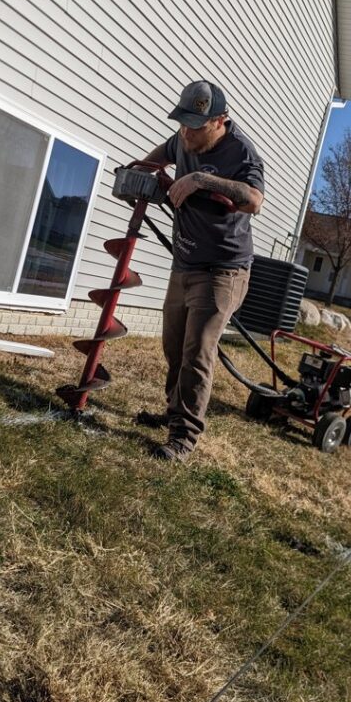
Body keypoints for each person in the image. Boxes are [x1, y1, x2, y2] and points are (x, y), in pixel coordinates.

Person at [137, 80, 265, 461]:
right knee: (174, 347)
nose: (187, 133)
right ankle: (172, 411)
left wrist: (199, 179)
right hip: (185, 263)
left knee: (197, 353)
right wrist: (141, 174)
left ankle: (183, 438)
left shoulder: (242, 152)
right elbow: (153, 160)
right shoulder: (183, 139)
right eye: (183, 123)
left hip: (223, 271)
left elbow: (254, 201)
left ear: (220, 120)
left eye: (196, 125)